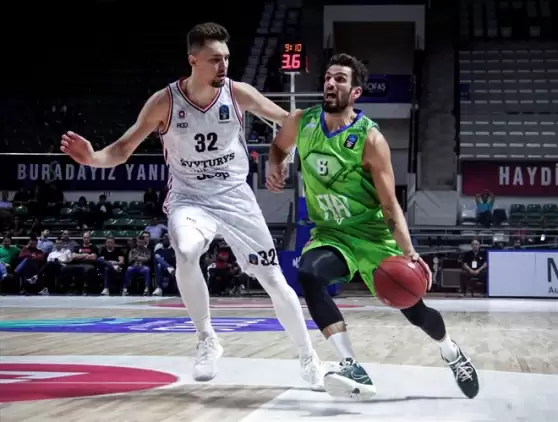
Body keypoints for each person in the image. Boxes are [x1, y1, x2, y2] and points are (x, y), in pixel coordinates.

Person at [60, 22, 323, 387]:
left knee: (273, 278)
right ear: (193, 60)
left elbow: (289, 120)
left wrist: (282, 158)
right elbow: (122, 149)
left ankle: (308, 356)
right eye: (215, 59)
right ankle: (207, 338)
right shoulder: (164, 102)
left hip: (234, 196)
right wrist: (92, 158)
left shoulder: (238, 93)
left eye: (226, 58)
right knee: (185, 250)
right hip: (190, 198)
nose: (223, 65)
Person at [266, 53, 479, 400]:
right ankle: (352, 365)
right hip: (331, 233)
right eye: (328, 77)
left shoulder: (370, 139)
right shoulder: (301, 121)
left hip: (373, 235)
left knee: (415, 310)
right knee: (308, 273)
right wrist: (275, 165)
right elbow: (278, 147)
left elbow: (390, 204)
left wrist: (409, 252)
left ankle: (451, 351)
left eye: (340, 79)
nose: (331, 83)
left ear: (355, 93)